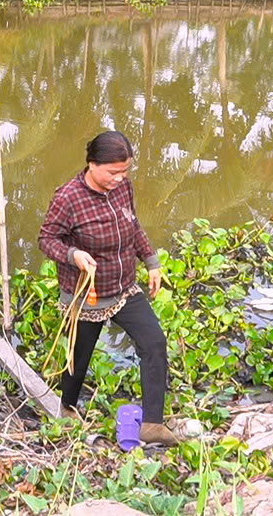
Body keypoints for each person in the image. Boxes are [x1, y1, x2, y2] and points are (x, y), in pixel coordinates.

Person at [38, 131, 179, 446]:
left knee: (154, 343)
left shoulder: (123, 188)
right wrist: (73, 255)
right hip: (88, 292)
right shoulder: (68, 198)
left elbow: (133, 224)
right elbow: (47, 240)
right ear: (92, 164)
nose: (120, 178)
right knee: (80, 356)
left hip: (124, 285)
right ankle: (68, 407)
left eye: (125, 171)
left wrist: (152, 262)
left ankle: (152, 424)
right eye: (113, 172)